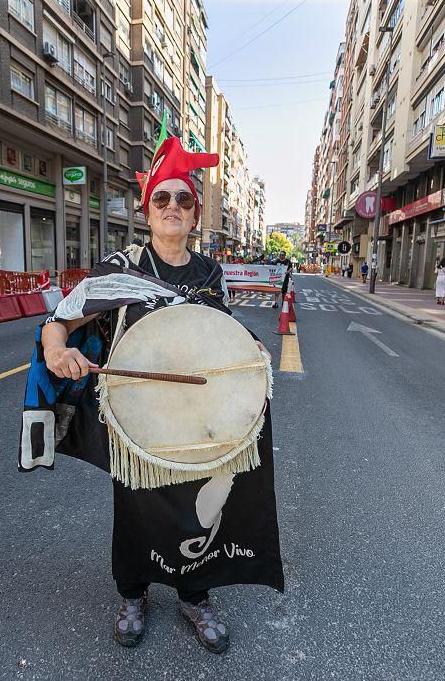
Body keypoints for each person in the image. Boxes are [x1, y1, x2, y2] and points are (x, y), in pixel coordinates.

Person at [21, 136, 283, 655]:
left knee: (195, 510)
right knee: (136, 509)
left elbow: (219, 331)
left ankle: (194, 596)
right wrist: (56, 353)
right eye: (161, 199)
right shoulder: (121, 267)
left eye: (182, 200)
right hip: (136, 417)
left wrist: (247, 349)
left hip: (195, 419)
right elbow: (60, 321)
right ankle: (133, 594)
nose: (172, 208)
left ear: (195, 213)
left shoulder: (210, 272)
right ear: (148, 211)